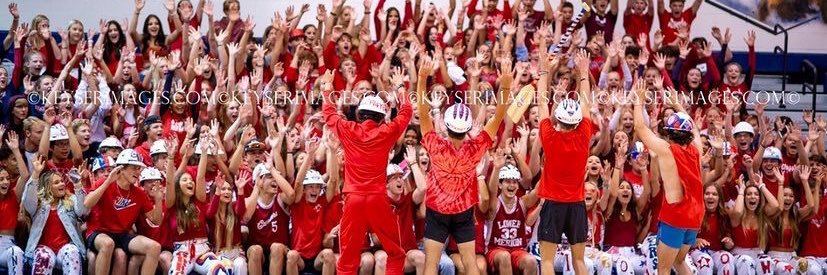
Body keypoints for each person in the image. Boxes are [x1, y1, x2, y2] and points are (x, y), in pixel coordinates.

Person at [418, 55, 512, 275]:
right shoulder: (476, 148)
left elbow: (423, 112)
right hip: (463, 213)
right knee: (471, 265)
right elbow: (498, 116)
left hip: (437, 212)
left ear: (446, 125)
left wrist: (422, 79)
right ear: (468, 127)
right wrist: (506, 83)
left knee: (431, 265)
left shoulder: (434, 144)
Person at [321, 64, 412, 275]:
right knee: (396, 253)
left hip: (352, 199)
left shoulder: (348, 128)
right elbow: (407, 111)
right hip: (378, 199)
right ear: (381, 118)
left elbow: (328, 113)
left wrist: (327, 86)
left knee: (347, 258)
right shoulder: (386, 131)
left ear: (359, 114)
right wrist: (399, 86)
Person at [633, 82, 704, 275]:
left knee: (663, 269)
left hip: (676, 214)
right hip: (695, 215)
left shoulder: (666, 150)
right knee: (680, 262)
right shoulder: (697, 149)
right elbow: (696, 131)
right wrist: (678, 106)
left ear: (669, 133)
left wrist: (638, 101)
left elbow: (640, 128)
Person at [535, 49, 594, 275]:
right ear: (577, 120)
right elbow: (587, 102)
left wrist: (543, 71)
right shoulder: (585, 134)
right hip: (577, 205)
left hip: (553, 204)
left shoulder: (549, 137)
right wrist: (583, 73)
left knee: (548, 261)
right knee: (579, 260)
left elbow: (541, 103)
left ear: (558, 118)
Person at [83, 148, 162, 275]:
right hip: (99, 231)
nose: (138, 172)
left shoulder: (139, 193)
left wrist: (158, 200)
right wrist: (108, 181)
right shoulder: (104, 182)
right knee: (107, 243)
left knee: (154, 247)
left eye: (138, 168)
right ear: (121, 169)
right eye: (134, 168)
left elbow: (156, 221)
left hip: (122, 234)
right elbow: (87, 203)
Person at [23, 154, 87, 275]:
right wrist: (35, 174)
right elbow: (27, 200)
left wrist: (78, 184)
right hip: (44, 248)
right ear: (47, 187)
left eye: (62, 181)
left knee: (72, 252)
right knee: (44, 256)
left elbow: (83, 210)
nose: (62, 184)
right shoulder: (38, 204)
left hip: (65, 248)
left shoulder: (71, 199)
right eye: (56, 183)